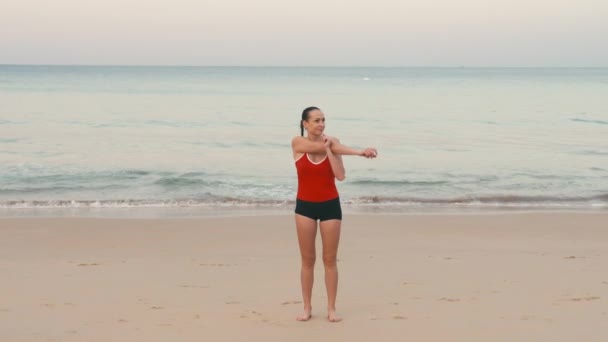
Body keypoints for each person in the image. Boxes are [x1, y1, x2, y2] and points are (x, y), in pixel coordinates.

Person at [290, 106, 378, 322]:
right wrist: (357, 151)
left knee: (330, 260)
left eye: (323, 120)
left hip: (330, 206)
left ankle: (331, 308)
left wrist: (332, 150)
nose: (321, 124)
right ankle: (307, 307)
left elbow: (340, 176)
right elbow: (316, 147)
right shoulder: (298, 143)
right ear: (305, 124)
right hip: (305, 208)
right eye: (317, 120)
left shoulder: (333, 144)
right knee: (307, 260)